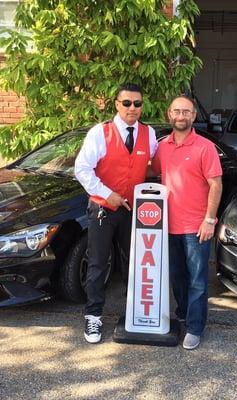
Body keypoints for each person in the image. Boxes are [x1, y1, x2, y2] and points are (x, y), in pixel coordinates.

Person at [75, 83, 158, 343]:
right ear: (116, 104)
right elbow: (82, 169)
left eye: (137, 103)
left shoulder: (149, 133)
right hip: (103, 208)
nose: (132, 108)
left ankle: (135, 315)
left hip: (134, 210)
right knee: (98, 263)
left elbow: (154, 168)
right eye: (127, 103)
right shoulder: (100, 133)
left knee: (134, 263)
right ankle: (93, 318)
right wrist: (107, 193)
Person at [152, 96, 222, 350]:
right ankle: (183, 314)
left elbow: (216, 184)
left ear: (193, 116)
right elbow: (153, 173)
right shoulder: (162, 147)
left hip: (196, 227)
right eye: (176, 111)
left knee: (197, 281)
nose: (180, 116)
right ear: (169, 114)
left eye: (186, 112)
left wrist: (209, 220)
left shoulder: (205, 147)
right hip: (168, 226)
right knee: (177, 278)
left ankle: (195, 327)